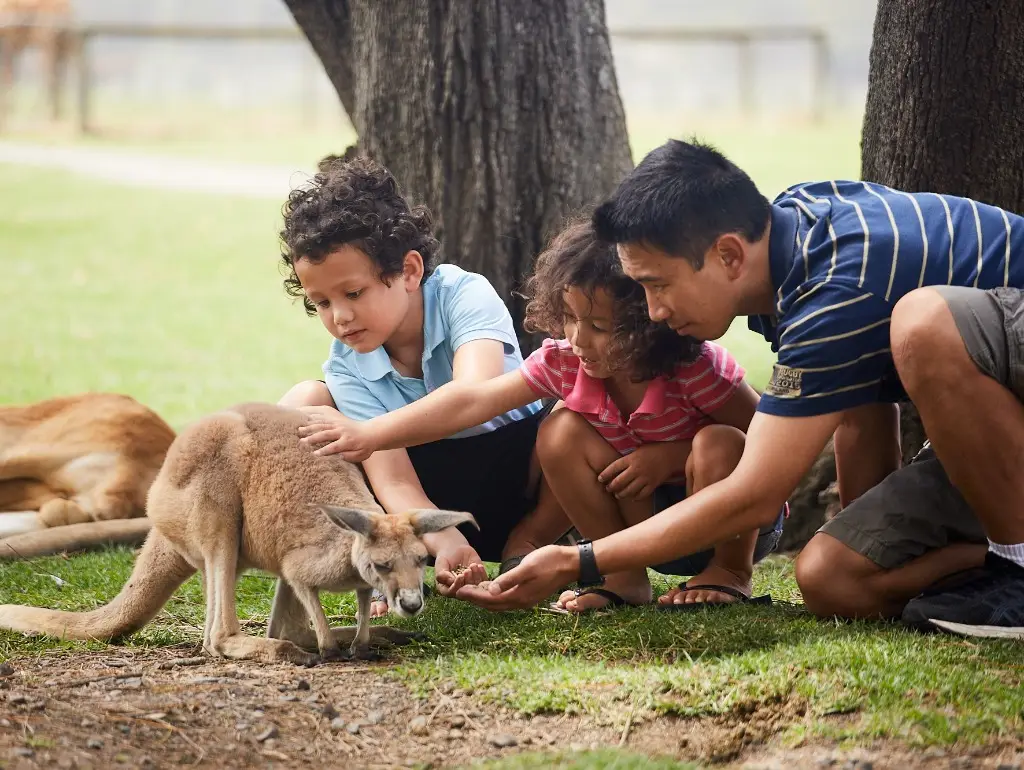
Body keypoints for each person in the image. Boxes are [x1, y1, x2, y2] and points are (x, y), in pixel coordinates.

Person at [457, 138, 1024, 640]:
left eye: (658, 285)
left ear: (728, 255)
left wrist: (578, 559)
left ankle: (1015, 569)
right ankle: (996, 561)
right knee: (831, 580)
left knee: (924, 323)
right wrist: (861, 532)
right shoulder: (792, 249)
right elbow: (861, 415)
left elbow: (754, 491)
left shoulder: (836, 285)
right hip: (998, 433)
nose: (652, 312)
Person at [300, 221, 784, 612]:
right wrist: (369, 435)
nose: (578, 339)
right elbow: (478, 400)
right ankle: (622, 576)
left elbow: (768, 435)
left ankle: (730, 572)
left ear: (650, 319)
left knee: (716, 442)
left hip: (722, 515)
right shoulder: (564, 362)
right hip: (641, 517)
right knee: (561, 430)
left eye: (599, 326)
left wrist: (670, 458)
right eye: (570, 319)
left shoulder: (696, 367)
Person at [269, 155, 569, 622]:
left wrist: (368, 433)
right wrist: (445, 536)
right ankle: (376, 560)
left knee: (569, 420)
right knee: (303, 403)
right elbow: (393, 478)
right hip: (429, 492)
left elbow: (474, 393)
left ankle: (530, 540)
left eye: (353, 293)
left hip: (521, 470)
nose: (340, 316)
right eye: (321, 302)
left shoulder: (462, 294)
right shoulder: (347, 366)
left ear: (409, 272)